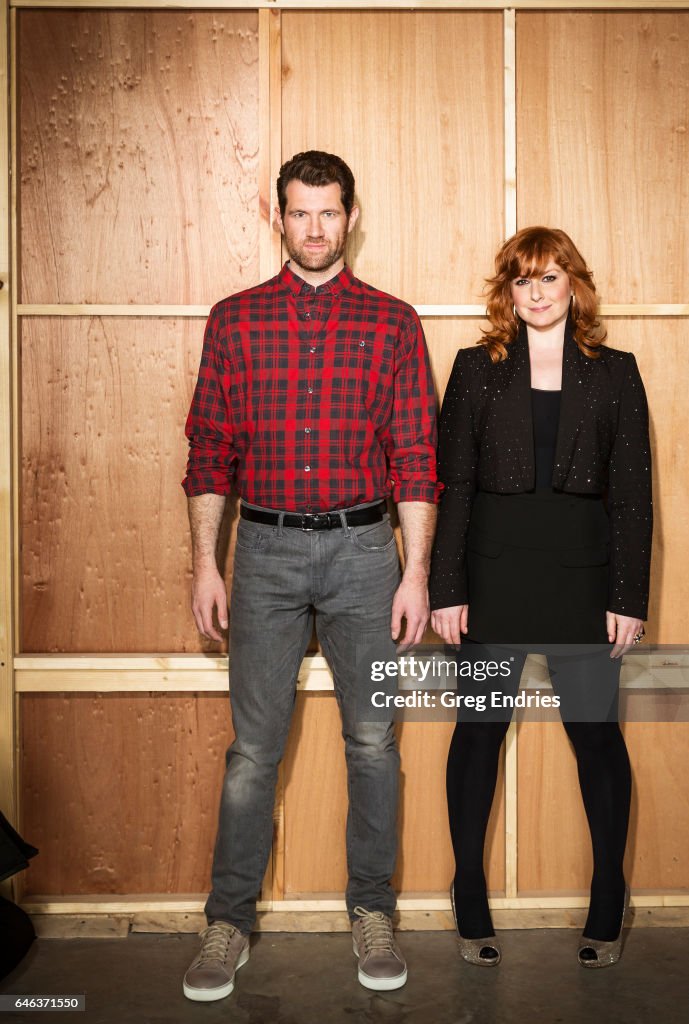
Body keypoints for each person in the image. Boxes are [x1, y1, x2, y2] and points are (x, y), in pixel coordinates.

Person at [181, 150, 439, 1000]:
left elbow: (415, 459)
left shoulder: (394, 323)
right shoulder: (236, 320)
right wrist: (205, 567)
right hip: (264, 555)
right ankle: (228, 923)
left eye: (330, 212)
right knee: (254, 751)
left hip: (368, 556)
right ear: (279, 218)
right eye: (300, 213)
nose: (316, 228)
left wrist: (416, 575)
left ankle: (373, 912)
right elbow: (209, 453)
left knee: (372, 743)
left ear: (351, 216)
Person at [429, 226, 652, 969]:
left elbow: (632, 495)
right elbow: (452, 485)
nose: (537, 293)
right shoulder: (474, 369)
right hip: (494, 580)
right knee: (479, 734)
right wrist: (447, 588)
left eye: (550, 278)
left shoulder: (615, 372)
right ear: (508, 292)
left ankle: (607, 901)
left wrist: (627, 593)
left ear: (574, 286)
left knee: (596, 739)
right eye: (523, 281)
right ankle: (469, 896)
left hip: (585, 582)